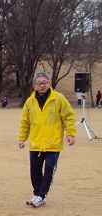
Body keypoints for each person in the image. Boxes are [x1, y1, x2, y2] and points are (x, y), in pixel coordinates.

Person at [18, 72, 76, 208]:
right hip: (36, 143)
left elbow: (69, 117)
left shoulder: (59, 99)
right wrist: (22, 138)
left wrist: (70, 133)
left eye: (45, 82)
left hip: (53, 143)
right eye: (39, 83)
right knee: (35, 170)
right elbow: (25, 122)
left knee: (49, 169)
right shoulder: (30, 101)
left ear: (49, 83)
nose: (42, 85)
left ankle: (41, 196)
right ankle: (37, 194)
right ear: (34, 86)